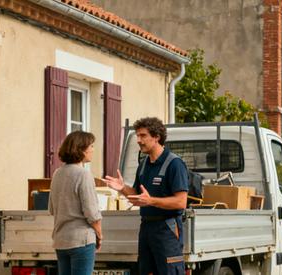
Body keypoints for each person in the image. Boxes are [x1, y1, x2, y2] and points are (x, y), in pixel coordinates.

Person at [103, 117, 189, 275]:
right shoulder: (143, 165)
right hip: (147, 227)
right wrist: (122, 188)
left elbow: (181, 202)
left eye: (143, 136)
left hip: (167, 228)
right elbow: (137, 195)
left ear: (156, 137)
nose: (138, 140)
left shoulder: (175, 164)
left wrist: (151, 201)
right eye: (137, 136)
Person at [49, 131, 103, 275]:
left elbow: (51, 209)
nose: (93, 150)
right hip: (82, 240)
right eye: (91, 146)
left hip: (61, 241)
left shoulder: (57, 174)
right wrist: (99, 235)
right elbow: (92, 213)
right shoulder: (84, 174)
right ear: (81, 149)